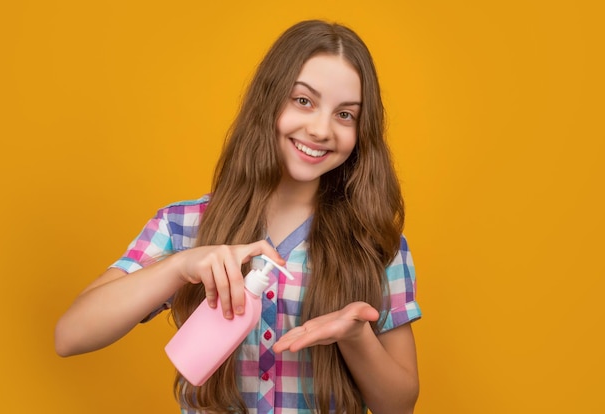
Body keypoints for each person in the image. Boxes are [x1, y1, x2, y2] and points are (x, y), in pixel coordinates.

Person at [55, 19, 421, 414]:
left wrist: (356, 338)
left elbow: (398, 406)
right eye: (303, 101)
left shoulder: (375, 245)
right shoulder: (184, 226)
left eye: (345, 114)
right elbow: (70, 336)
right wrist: (178, 267)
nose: (320, 129)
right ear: (269, 99)